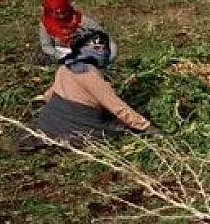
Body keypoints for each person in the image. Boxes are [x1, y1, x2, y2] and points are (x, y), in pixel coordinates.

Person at [17, 29, 152, 149]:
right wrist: (145, 126)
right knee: (117, 129)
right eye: (97, 48)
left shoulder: (65, 67)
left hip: (49, 122)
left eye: (103, 48)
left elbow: (49, 95)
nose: (102, 52)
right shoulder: (88, 74)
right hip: (79, 126)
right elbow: (117, 106)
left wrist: (43, 99)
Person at [37, 0, 115, 66]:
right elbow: (46, 46)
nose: (62, 16)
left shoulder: (82, 20)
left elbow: (106, 38)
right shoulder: (45, 24)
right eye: (57, 13)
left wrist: (109, 58)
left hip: (85, 54)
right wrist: (58, 54)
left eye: (64, 12)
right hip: (59, 57)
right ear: (49, 12)